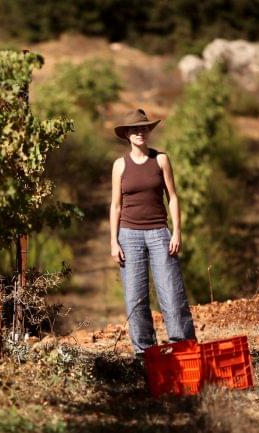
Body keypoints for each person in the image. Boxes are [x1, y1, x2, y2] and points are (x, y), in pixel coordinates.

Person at [109, 108, 197, 357]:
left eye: (144, 128)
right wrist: (113, 241)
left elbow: (173, 197)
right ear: (127, 134)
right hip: (129, 236)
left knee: (171, 292)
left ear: (149, 131)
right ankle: (144, 355)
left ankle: (183, 349)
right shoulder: (119, 166)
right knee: (135, 300)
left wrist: (176, 232)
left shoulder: (161, 160)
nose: (140, 132)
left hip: (159, 233)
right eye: (135, 129)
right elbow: (116, 205)